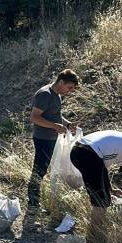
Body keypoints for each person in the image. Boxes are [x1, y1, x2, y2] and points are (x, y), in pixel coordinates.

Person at [26, 69, 80, 213]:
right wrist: (54, 126)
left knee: (44, 169)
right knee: (39, 170)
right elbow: (35, 117)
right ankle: (32, 204)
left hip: (52, 139)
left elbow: (54, 115)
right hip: (43, 138)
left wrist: (67, 124)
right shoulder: (45, 94)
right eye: (69, 87)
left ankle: (35, 203)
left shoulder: (57, 95)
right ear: (61, 82)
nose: (69, 91)